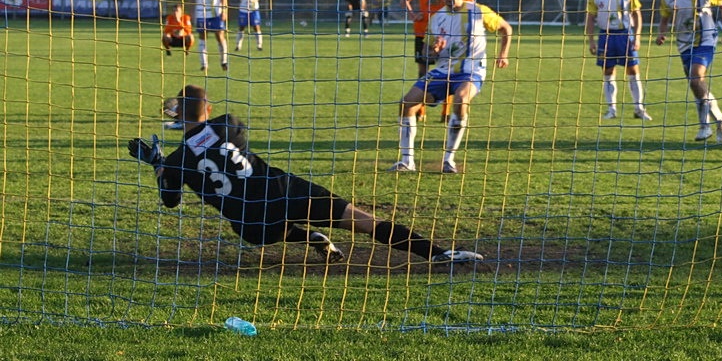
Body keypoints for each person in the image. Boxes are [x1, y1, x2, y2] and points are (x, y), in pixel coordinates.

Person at [127, 84, 482, 266]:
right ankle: (439, 254)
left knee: (263, 227)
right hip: (283, 191)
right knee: (363, 221)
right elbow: (219, 136)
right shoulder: (227, 124)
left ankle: (311, 239)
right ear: (209, 109)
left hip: (251, 223)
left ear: (176, 116)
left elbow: (170, 201)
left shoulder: (176, 161)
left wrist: (160, 166)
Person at [390, 0, 513, 174]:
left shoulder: (478, 11)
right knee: (407, 103)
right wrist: (433, 50)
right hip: (442, 71)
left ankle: (449, 160)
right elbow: (426, 53)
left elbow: (506, 29)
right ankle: (407, 161)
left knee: (461, 99)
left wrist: (503, 55)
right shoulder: (437, 18)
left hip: (471, 71)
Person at [656, 0, 722, 144]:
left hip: (706, 41)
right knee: (696, 86)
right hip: (684, 44)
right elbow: (664, 18)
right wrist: (661, 34)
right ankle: (715, 122)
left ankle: (708, 125)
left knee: (695, 77)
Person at [404, 0, 474, 122]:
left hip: (449, 35)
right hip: (423, 31)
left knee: (450, 72)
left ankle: (446, 112)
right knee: (423, 70)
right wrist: (413, 15)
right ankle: (420, 109)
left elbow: (471, 2)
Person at [585, 0, 652, 121]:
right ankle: (612, 109)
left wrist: (637, 36)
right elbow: (590, 18)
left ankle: (639, 108)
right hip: (606, 36)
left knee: (633, 71)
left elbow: (637, 14)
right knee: (608, 72)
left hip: (625, 35)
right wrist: (591, 41)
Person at [189, 0, 229, 72]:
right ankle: (204, 64)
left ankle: (224, 61)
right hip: (201, 13)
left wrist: (225, 9)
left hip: (216, 11)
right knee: (202, 37)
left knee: (219, 36)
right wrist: (191, 14)